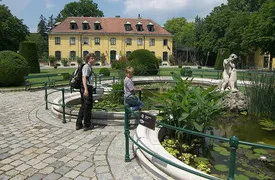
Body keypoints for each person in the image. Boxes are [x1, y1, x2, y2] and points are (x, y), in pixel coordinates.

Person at [76, 53, 96, 131]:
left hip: (86, 88)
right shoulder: (86, 67)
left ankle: (78, 124)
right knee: (88, 106)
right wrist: (86, 89)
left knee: (83, 106)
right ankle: (86, 125)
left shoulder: (89, 67)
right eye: (92, 58)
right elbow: (84, 78)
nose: (93, 60)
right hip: (86, 88)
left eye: (94, 58)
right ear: (88, 59)